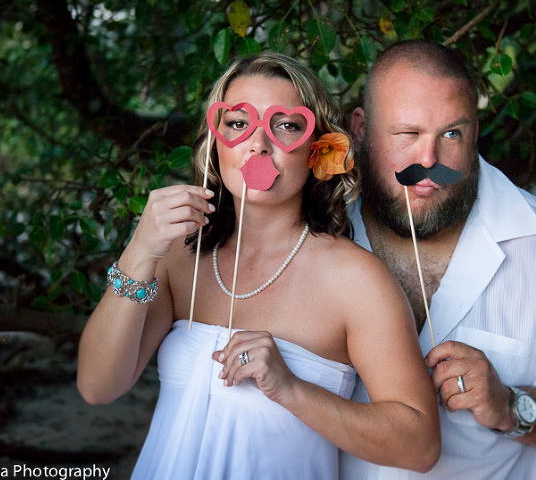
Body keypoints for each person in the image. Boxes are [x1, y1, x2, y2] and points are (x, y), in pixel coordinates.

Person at [77, 53, 441, 479]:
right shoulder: (178, 256)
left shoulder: (355, 281)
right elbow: (97, 386)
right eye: (237, 123)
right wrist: (139, 252)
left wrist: (290, 389)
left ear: (317, 148)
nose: (258, 143)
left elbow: (420, 447)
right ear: (216, 139)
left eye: (286, 126)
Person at [339, 40, 536, 479]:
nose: (428, 161)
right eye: (407, 135)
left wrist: (513, 406)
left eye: (451, 134)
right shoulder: (321, 230)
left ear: (474, 131)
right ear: (360, 127)